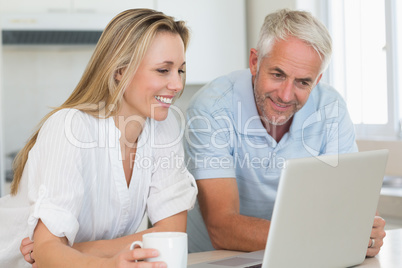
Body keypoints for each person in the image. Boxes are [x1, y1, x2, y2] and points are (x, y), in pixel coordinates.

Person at [0, 8, 197, 267]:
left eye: (180, 71)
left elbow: (171, 235)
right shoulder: (71, 128)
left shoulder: (164, 126)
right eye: (163, 70)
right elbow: (47, 255)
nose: (177, 84)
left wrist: (75, 249)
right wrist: (103, 261)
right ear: (120, 72)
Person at [184, 8, 385, 257]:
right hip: (214, 259)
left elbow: (347, 208)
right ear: (255, 62)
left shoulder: (330, 108)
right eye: (278, 75)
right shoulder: (211, 109)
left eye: (303, 82)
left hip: (297, 255)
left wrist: (363, 233)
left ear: (318, 79)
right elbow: (223, 227)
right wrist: (334, 235)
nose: (286, 95)